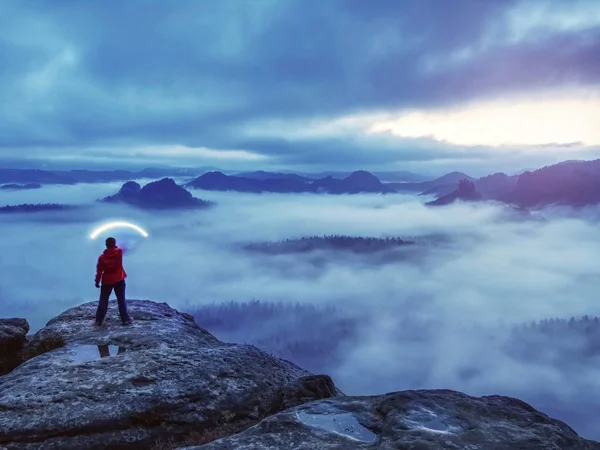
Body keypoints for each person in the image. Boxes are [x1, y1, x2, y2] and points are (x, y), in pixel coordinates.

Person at [94, 237, 133, 326]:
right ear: (114, 244)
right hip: (119, 279)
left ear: (106, 245)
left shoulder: (102, 257)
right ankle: (125, 319)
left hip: (107, 281)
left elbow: (99, 271)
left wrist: (97, 281)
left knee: (103, 301)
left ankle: (99, 321)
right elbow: (124, 248)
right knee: (121, 299)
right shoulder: (118, 252)